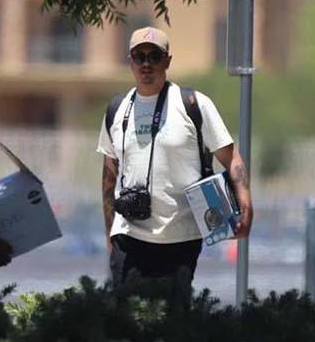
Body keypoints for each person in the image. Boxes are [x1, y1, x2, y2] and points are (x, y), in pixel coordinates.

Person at [97, 27, 252, 291]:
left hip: (181, 237)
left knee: (173, 320)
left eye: (154, 56)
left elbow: (231, 157)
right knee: (125, 319)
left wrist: (246, 205)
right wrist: (110, 233)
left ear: (167, 60)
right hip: (128, 236)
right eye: (139, 56)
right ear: (130, 61)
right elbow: (109, 176)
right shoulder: (117, 109)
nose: (146, 64)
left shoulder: (193, 104)